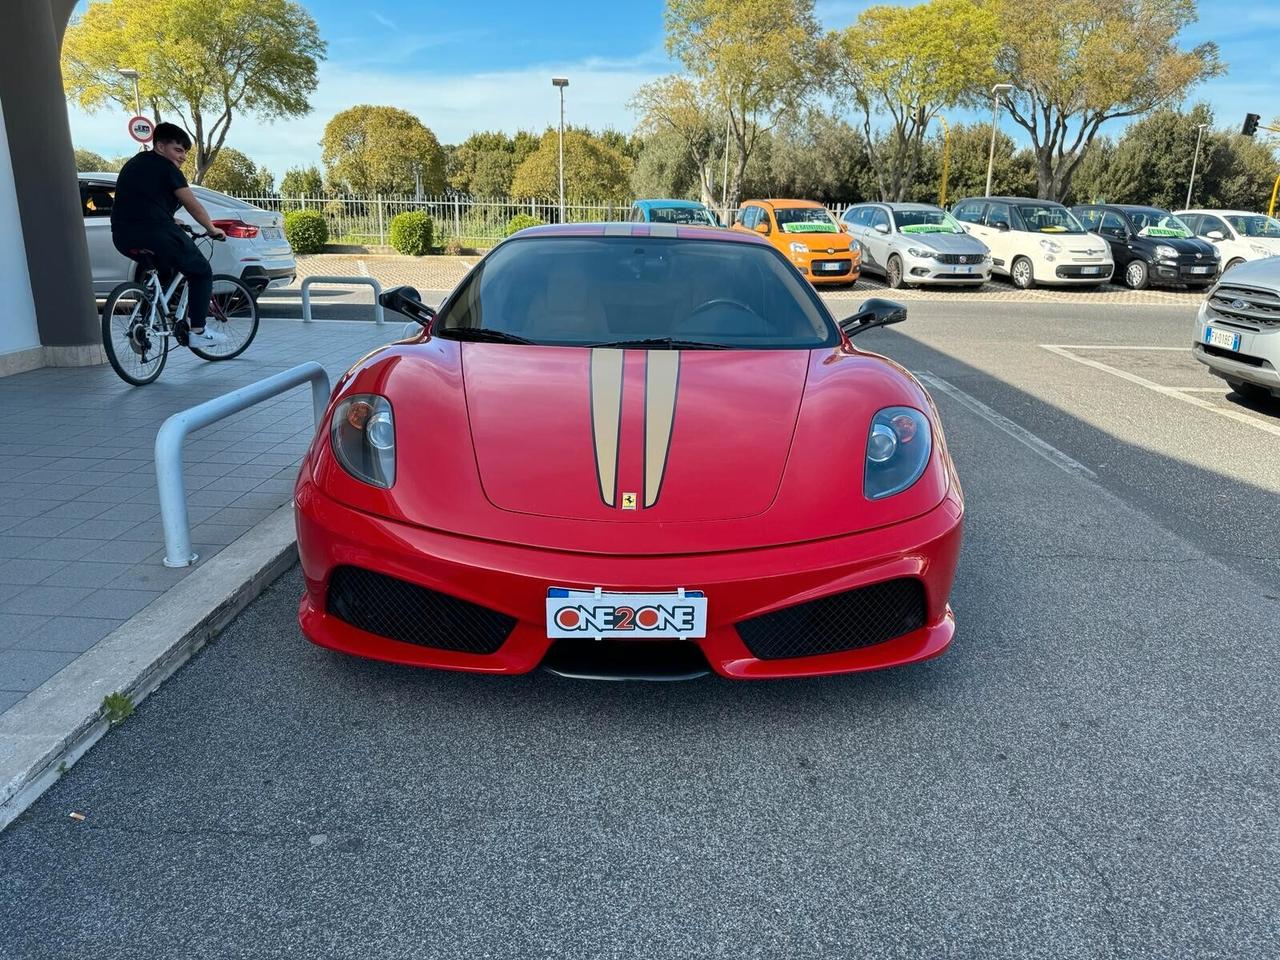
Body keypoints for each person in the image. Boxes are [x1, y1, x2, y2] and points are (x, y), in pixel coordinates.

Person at [110, 122, 227, 345]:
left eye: (185, 152)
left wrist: (170, 218)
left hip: (123, 235)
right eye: (178, 149)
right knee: (201, 271)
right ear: (161, 146)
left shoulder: (133, 165)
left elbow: (141, 201)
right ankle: (198, 332)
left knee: (163, 271)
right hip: (156, 232)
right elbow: (192, 204)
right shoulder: (167, 169)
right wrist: (211, 229)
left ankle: (144, 322)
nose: (182, 156)